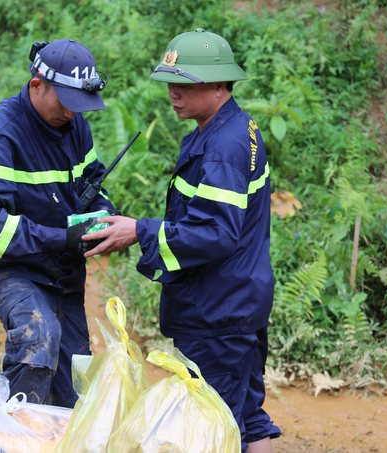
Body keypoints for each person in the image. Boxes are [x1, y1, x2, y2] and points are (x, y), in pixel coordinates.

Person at [83, 29, 281, 452]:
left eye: (185, 83)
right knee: (246, 416)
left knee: (214, 424)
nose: (174, 93)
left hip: (220, 309)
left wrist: (140, 230)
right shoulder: (231, 128)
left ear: (220, 83)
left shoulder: (223, 147)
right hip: (239, 300)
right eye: (170, 81)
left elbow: (217, 233)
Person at [0, 39, 115, 408]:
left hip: (63, 273)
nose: (73, 115)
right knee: (38, 335)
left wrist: (102, 218)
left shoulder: (76, 127)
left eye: (80, 106)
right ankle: (11, 438)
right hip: (10, 268)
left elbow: (91, 183)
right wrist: (63, 238)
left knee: (77, 385)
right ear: (36, 86)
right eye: (66, 104)